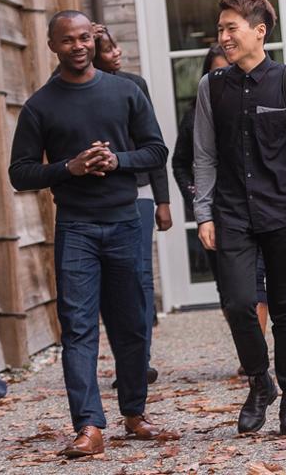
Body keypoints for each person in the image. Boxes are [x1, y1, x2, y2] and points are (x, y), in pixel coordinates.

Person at [9, 10, 175, 457]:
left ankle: (135, 413)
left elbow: (157, 150)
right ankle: (89, 426)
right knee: (78, 328)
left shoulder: (125, 91)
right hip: (76, 227)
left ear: (93, 41)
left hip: (124, 222)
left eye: (85, 38)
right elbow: (20, 173)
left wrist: (117, 160)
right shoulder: (40, 105)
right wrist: (70, 168)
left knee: (132, 325)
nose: (78, 46)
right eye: (68, 40)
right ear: (53, 46)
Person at [191, 0, 286, 437]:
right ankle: (259, 382)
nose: (224, 36)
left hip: (283, 212)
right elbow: (204, 156)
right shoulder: (212, 87)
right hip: (230, 213)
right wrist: (203, 213)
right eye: (221, 29)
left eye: (232, 28)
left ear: (259, 31)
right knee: (237, 303)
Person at [173, 47, 270, 377]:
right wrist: (197, 198)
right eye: (216, 72)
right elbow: (181, 163)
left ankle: (255, 358)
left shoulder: (261, 102)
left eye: (229, 68)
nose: (224, 77)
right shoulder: (195, 116)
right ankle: (248, 347)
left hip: (259, 207)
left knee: (256, 285)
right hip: (218, 211)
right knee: (230, 292)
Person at [92, 24, 170, 386]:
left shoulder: (134, 86)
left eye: (114, 46)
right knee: (112, 283)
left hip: (137, 195)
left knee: (139, 278)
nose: (116, 53)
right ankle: (128, 360)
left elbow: (153, 145)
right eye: (107, 49)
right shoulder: (76, 92)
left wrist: (163, 200)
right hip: (95, 202)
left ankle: (141, 361)